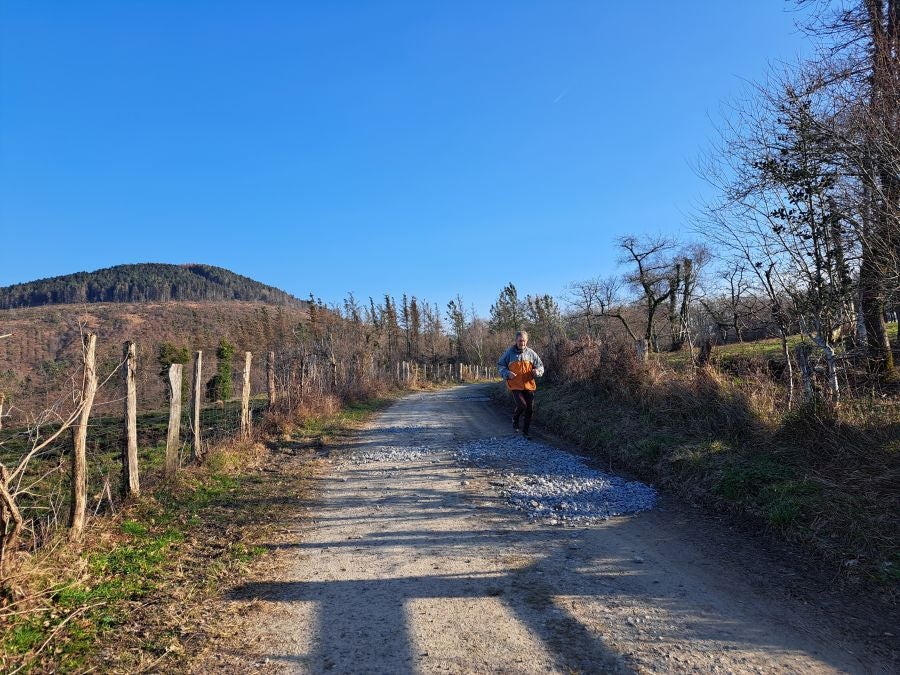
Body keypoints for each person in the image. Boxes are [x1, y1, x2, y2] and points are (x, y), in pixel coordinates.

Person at [497, 330, 544, 439]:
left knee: (530, 409)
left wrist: (537, 371)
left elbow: (540, 366)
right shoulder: (509, 353)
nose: (522, 343)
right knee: (522, 405)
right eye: (520, 341)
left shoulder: (531, 353)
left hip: (529, 385)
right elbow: (500, 365)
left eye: (524, 341)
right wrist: (507, 373)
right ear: (516, 341)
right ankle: (515, 418)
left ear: (527, 341)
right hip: (515, 385)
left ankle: (526, 431)